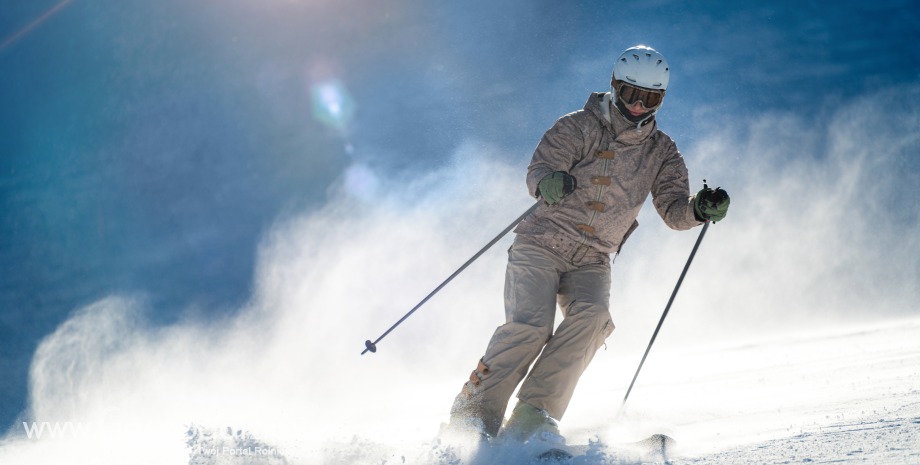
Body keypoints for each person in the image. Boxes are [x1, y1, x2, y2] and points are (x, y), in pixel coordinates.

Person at [443, 45, 730, 443]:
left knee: (594, 318)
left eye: (650, 98)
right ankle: (473, 414)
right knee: (531, 327)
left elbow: (672, 210)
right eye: (632, 94)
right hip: (542, 242)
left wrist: (699, 208)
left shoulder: (661, 151)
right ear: (614, 86)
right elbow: (540, 169)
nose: (638, 105)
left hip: (593, 257)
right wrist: (548, 182)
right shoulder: (578, 126)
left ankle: (533, 415)